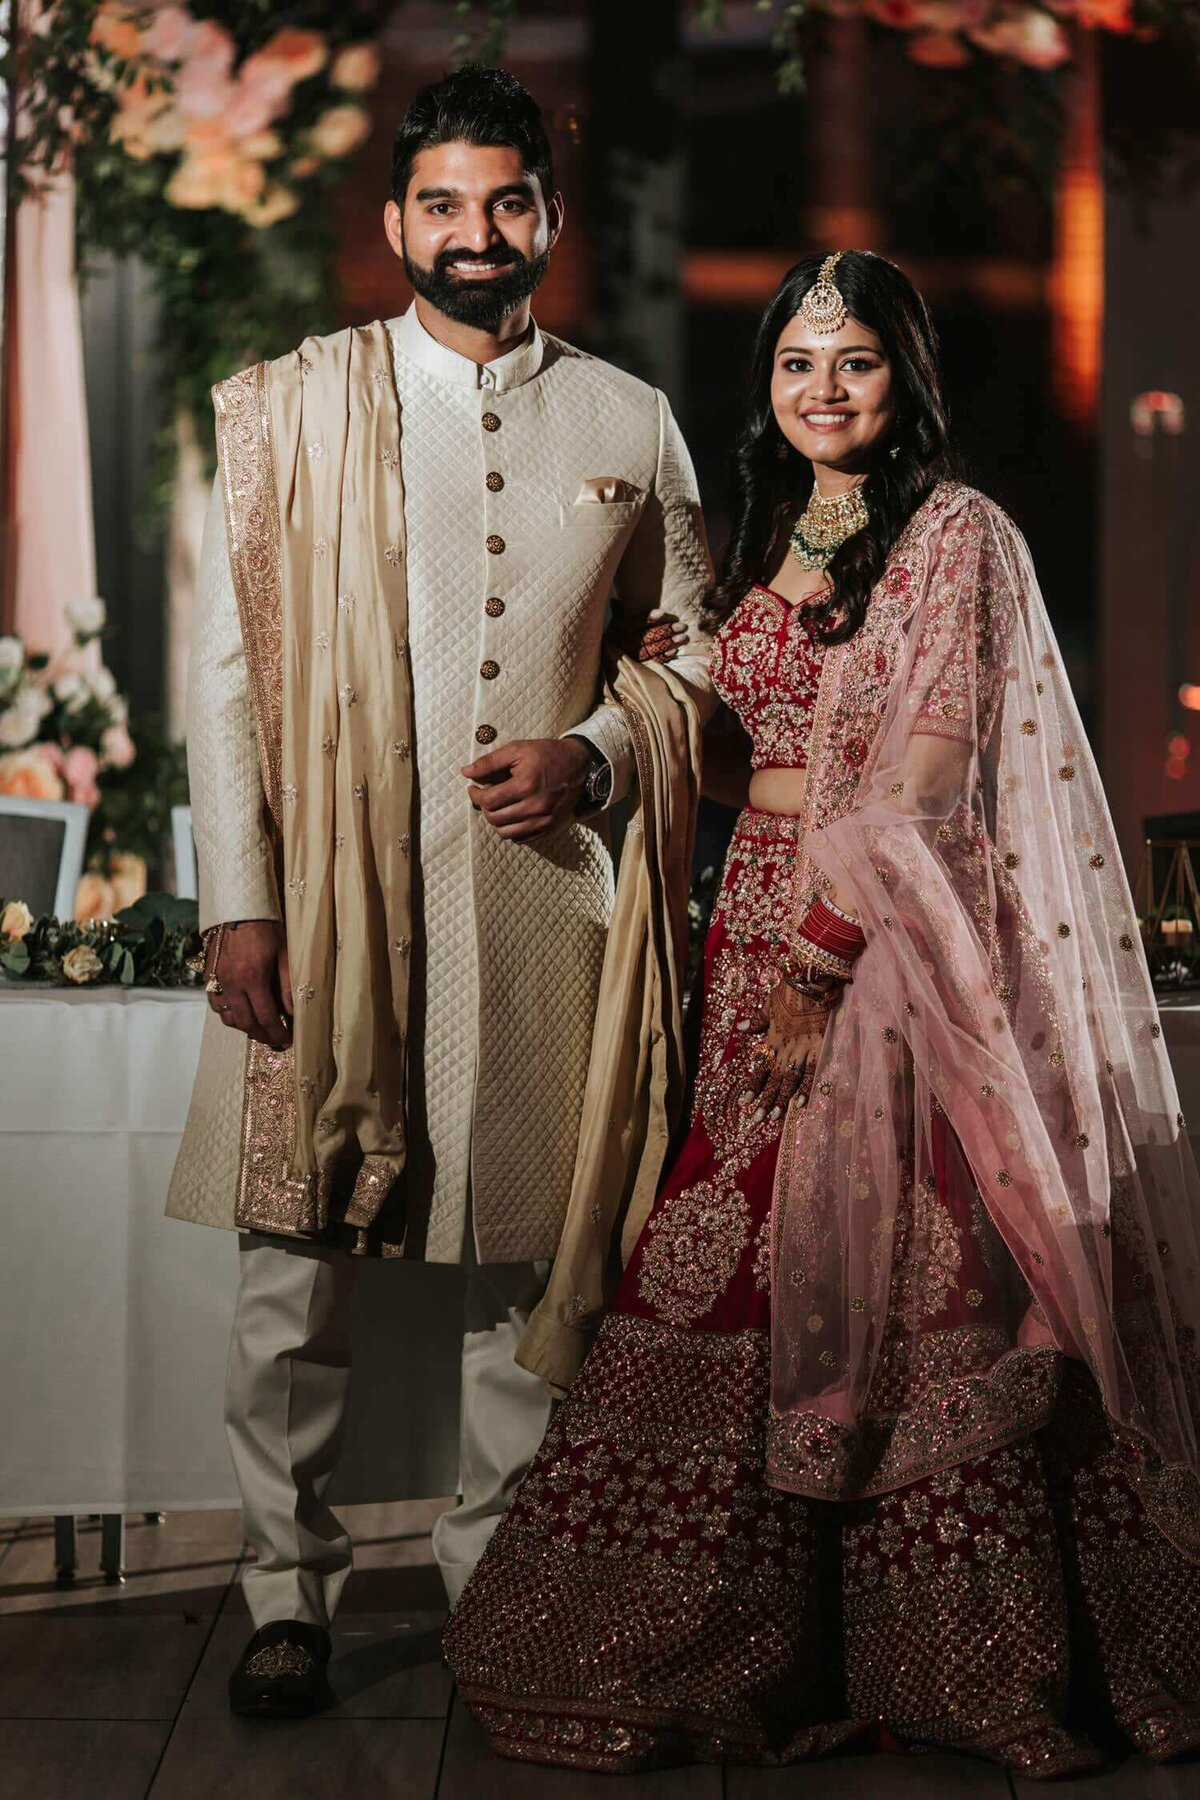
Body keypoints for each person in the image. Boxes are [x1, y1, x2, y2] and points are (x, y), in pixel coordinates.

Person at [445, 250, 1200, 1779]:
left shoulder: (957, 533)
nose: (824, 390)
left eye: (854, 361)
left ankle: (979, 1655)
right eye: (798, 362)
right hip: (754, 935)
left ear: (904, 377)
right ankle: (760, 1642)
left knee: (922, 1279)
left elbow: (922, 781)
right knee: (743, 1268)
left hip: (888, 963)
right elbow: (745, 773)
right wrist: (674, 705)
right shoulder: (776, 542)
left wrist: (820, 966)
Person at [166, 64, 714, 1718]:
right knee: (290, 1274)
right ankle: (286, 1593)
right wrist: (239, 898)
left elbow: (691, 652)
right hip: (331, 903)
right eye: (445, 204)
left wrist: (602, 757)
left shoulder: (626, 417)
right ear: (396, 220)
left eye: (509, 202)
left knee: (526, 1272)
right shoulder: (293, 403)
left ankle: (496, 1580)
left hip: (545, 898)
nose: (477, 233)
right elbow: (228, 678)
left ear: (546, 216)